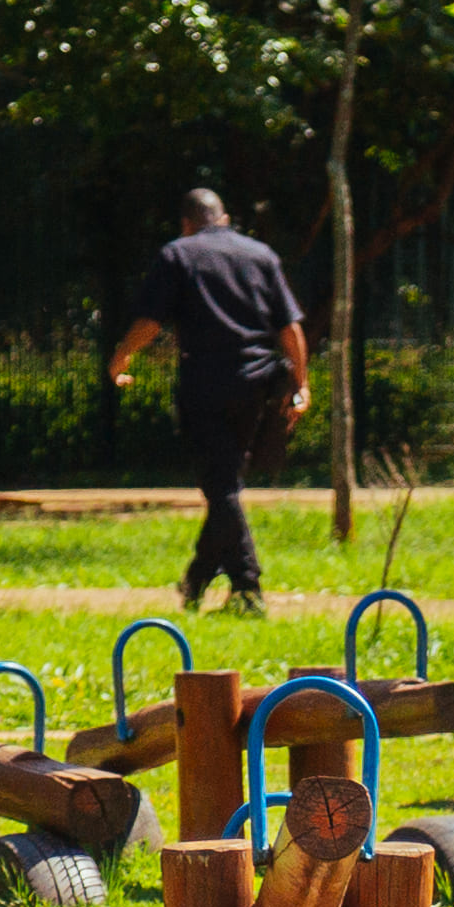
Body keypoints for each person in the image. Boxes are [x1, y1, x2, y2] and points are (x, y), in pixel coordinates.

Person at [107, 189, 310, 610]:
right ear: (225, 217)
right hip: (256, 384)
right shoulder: (260, 255)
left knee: (221, 487)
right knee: (226, 484)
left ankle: (247, 587)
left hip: (205, 384)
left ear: (186, 223)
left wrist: (122, 355)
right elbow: (289, 328)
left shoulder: (179, 255)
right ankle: (198, 579)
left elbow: (150, 321)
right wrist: (301, 384)